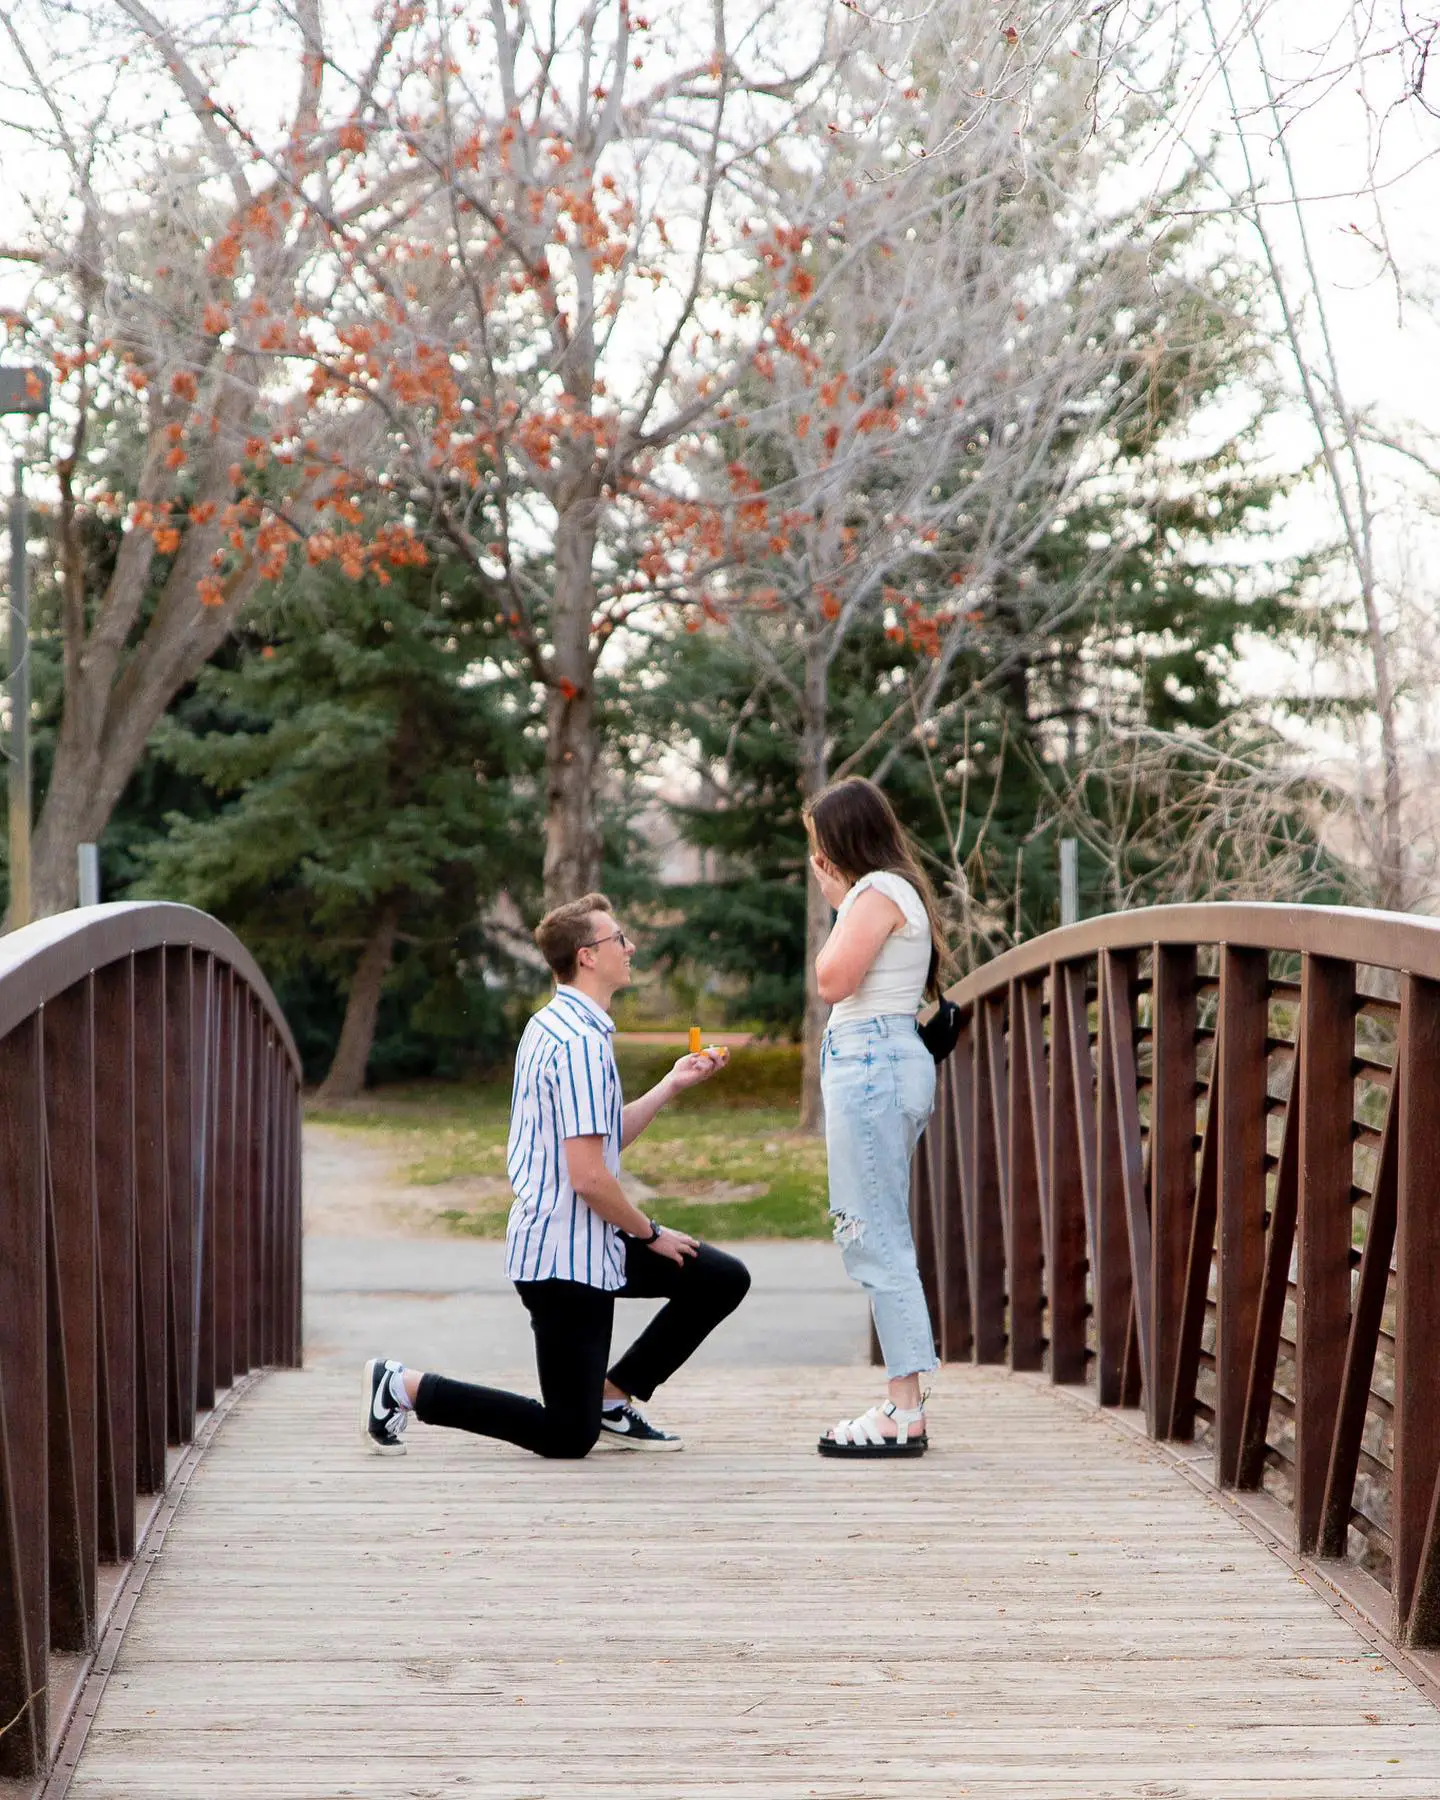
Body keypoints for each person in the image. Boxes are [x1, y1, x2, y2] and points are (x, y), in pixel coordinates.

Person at [361, 892, 751, 1459]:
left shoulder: (559, 1025)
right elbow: (589, 1178)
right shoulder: (579, 1044)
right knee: (567, 1434)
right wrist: (649, 1234)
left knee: (718, 1278)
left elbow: (596, 1138)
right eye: (620, 938)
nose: (631, 945)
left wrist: (670, 1085)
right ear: (588, 955)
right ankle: (402, 1385)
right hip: (563, 1258)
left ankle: (612, 1397)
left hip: (587, 1241)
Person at [804, 777, 948, 1458]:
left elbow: (832, 981)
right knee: (878, 1233)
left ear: (839, 840)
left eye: (818, 845)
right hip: (881, 1064)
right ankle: (904, 1402)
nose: (817, 860)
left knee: (876, 1238)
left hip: (871, 1067)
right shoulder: (894, 891)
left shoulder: (875, 893)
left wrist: (837, 901)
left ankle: (904, 1409)